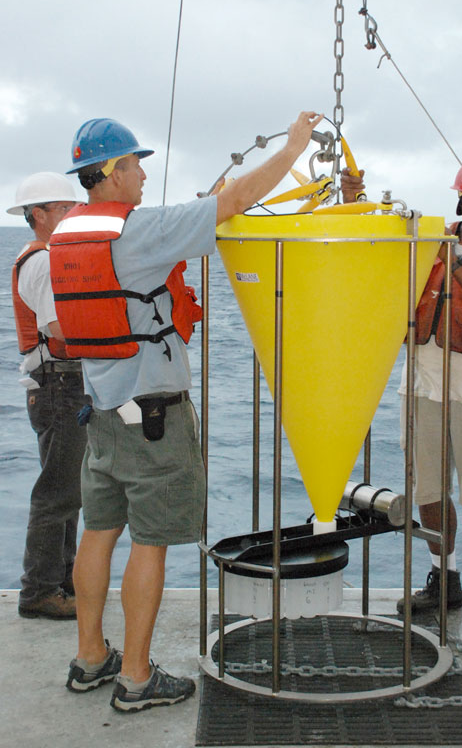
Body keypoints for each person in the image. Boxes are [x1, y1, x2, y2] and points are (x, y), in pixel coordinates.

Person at [50, 112, 323, 712]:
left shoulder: (66, 235)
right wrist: (294, 148)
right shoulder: (139, 233)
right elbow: (238, 199)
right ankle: (138, 680)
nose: (145, 174)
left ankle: (91, 658)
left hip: (98, 414)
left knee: (98, 534)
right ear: (114, 171)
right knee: (151, 543)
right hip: (153, 420)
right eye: (137, 164)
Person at [341, 154, 462, 645]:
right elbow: (374, 252)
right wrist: (351, 200)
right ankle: (444, 580)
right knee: (427, 489)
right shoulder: (425, 241)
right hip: (424, 389)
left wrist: (454, 259)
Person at [8, 172, 89, 620]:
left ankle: (63, 582)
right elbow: (60, 330)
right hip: (59, 385)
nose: (72, 213)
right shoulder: (40, 262)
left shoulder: (47, 257)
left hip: (60, 385)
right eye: (63, 208)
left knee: (68, 490)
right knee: (57, 493)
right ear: (37, 216)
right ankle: (39, 590)